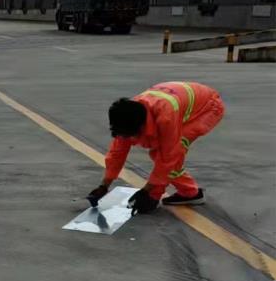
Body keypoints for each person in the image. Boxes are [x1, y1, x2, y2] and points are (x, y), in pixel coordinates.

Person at [87, 81, 225, 215]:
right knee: (160, 154)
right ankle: (191, 193)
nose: (127, 139)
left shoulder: (165, 117)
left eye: (130, 135)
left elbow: (169, 157)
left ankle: (190, 193)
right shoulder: (126, 116)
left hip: (208, 108)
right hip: (182, 99)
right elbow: (117, 153)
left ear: (141, 126)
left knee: (173, 149)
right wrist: (103, 186)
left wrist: (149, 192)